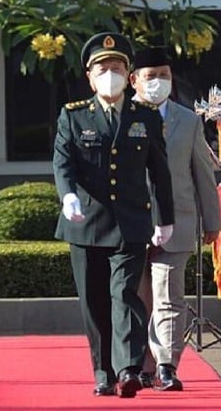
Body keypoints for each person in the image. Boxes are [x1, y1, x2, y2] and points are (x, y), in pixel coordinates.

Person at [53, 32, 175, 399]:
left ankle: (129, 368)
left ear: (128, 74)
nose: (111, 74)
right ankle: (102, 372)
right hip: (86, 224)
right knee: (95, 302)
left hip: (132, 222)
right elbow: (63, 162)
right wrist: (68, 196)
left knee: (125, 294)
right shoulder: (73, 116)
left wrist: (165, 217)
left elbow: (160, 170)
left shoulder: (145, 116)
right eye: (103, 68)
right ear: (90, 76)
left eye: (118, 67)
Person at [130, 46, 221, 392]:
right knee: (139, 298)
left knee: (169, 295)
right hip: (133, 223)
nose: (158, 82)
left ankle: (167, 365)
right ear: (134, 80)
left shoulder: (188, 120)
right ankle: (142, 364)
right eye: (150, 76)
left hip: (179, 220)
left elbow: (202, 174)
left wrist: (212, 222)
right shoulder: (122, 117)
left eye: (164, 75)